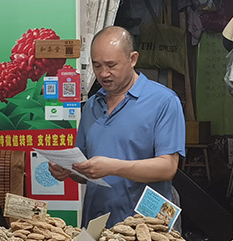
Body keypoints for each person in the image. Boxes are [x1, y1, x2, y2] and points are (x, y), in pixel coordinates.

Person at [49, 26, 184, 225]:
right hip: (97, 224)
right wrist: (68, 170)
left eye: (111, 65)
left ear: (133, 59)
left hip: (146, 227)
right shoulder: (92, 105)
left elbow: (168, 167)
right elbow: (87, 172)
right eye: (97, 66)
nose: (104, 73)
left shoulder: (163, 101)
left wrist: (113, 167)